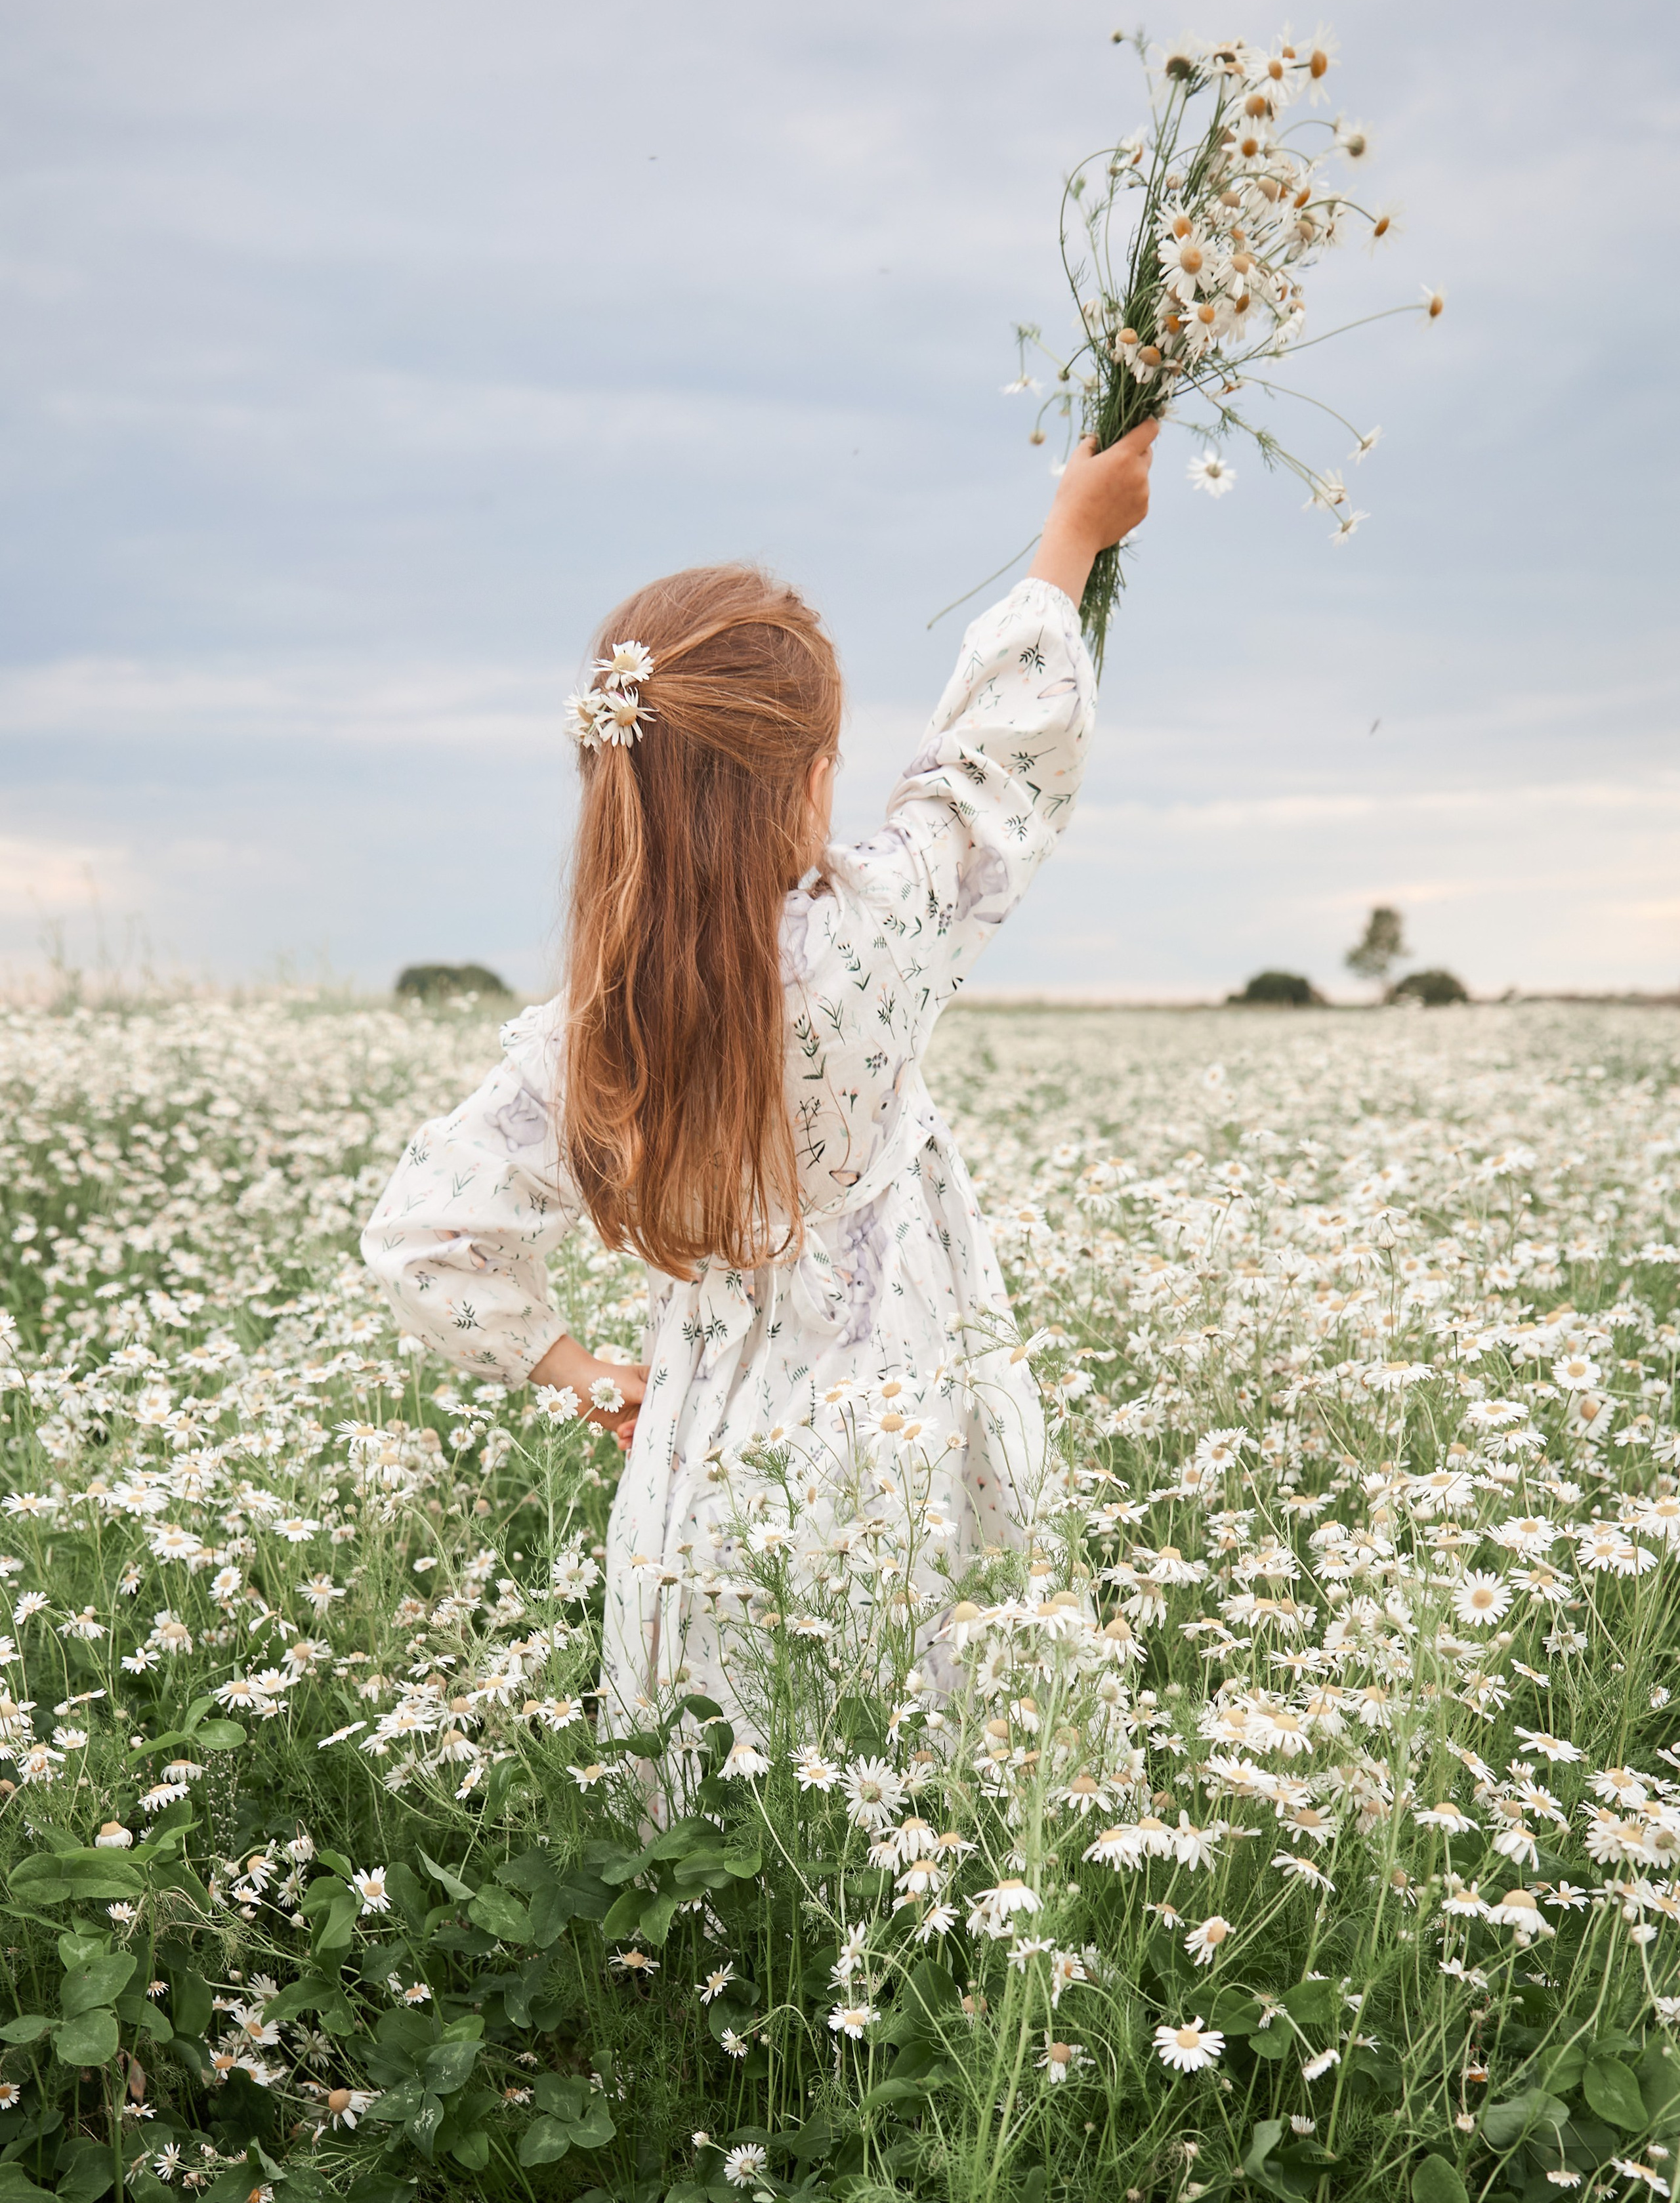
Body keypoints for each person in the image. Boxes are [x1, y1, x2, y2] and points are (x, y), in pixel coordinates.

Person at [362, 422, 1157, 1727]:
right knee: (907, 1763)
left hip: (698, 1488)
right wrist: (1071, 535)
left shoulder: (593, 1034)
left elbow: (423, 1239)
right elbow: (996, 764)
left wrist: (583, 1372)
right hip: (893, 1451)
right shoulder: (879, 923)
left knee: (712, 1803)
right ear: (809, 772)